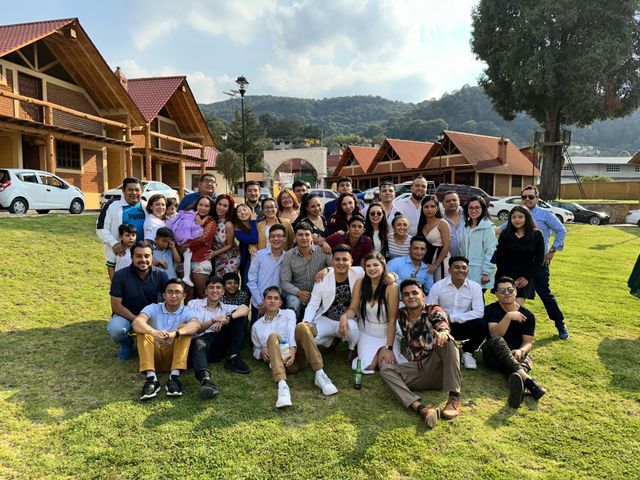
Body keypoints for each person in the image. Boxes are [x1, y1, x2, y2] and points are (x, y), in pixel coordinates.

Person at [379, 279, 461, 428]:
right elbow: (382, 299)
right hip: (417, 369)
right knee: (386, 370)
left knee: (449, 341)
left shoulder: (433, 310)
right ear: (402, 299)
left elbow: (441, 321)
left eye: (415, 293)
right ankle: (422, 409)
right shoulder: (401, 314)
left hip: (438, 368)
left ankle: (454, 397)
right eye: (406, 294)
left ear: (423, 295)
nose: (411, 296)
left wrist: (443, 332)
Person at [251, 286, 338, 408]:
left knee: (302, 326)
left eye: (276, 298)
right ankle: (282, 386)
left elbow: (292, 330)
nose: (272, 301)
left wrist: (293, 349)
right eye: (269, 298)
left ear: (281, 302)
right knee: (273, 336)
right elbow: (256, 349)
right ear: (264, 301)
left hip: (299, 357)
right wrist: (261, 353)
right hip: (281, 363)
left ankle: (320, 374)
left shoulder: (289, 313)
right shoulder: (256, 326)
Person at [482, 277, 547, 408]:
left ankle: (519, 388)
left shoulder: (528, 315)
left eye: (510, 290)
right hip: (494, 355)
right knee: (498, 341)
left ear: (516, 292)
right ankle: (529, 382)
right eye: (502, 290)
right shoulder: (490, 310)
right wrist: (508, 316)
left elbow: (528, 342)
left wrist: (521, 350)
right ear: (496, 293)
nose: (507, 293)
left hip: (516, 355)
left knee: (524, 358)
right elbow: (495, 335)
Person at [132, 278, 201, 401]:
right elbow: (137, 322)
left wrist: (175, 333)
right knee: (143, 331)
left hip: (174, 355)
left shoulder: (187, 311)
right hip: (154, 353)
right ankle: (151, 379)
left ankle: (174, 378)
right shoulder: (153, 307)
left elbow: (196, 325)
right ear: (164, 295)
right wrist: (153, 332)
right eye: (169, 292)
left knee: (185, 329)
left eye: (177, 292)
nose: (173, 295)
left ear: (184, 295)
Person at [341, 252, 406, 374]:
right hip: (367, 331)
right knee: (369, 366)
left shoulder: (391, 287)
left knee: (385, 366)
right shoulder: (360, 283)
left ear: (383, 266)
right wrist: (344, 316)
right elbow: (353, 309)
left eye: (375, 265)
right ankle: (368, 352)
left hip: (387, 333)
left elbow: (392, 320)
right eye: (368, 266)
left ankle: (383, 351)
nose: (372, 269)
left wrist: (389, 348)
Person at [188, 276, 251, 399]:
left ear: (223, 292)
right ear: (206, 291)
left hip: (217, 344)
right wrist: (213, 320)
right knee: (199, 342)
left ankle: (233, 357)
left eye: (218, 288)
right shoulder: (194, 304)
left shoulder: (226, 307)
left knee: (238, 317)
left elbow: (245, 309)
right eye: (211, 287)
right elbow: (196, 328)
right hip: (199, 342)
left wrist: (228, 318)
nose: (214, 290)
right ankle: (205, 380)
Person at [520, 185, 569, 340]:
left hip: (540, 263)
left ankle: (560, 324)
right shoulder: (518, 214)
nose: (527, 199)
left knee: (545, 295)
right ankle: (513, 327)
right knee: (518, 295)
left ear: (537, 198)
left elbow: (561, 230)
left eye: (530, 197)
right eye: (524, 197)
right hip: (521, 264)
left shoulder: (545, 214)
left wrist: (552, 251)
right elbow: (504, 228)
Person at [108, 240, 169, 360]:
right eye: (138, 256)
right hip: (126, 315)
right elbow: (116, 306)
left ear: (152, 257)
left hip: (151, 316)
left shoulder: (161, 275)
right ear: (131, 257)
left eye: (147, 256)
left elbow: (167, 301)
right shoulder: (120, 276)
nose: (143, 260)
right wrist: (137, 320)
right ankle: (127, 343)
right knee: (116, 331)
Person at [302, 244, 362, 363]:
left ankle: (352, 348)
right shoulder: (322, 278)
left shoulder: (359, 273)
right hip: (327, 318)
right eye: (337, 259)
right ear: (332, 261)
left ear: (351, 261)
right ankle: (331, 341)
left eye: (345, 259)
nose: (341, 263)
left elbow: (379, 271)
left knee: (353, 329)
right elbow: (313, 304)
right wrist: (306, 323)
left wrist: (392, 275)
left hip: (349, 319)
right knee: (311, 338)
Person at [427, 256, 485, 370]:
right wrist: (443, 319)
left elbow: (479, 312)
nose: (461, 270)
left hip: (463, 324)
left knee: (482, 324)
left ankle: (468, 352)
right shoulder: (438, 286)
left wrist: (451, 317)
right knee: (426, 322)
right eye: (456, 267)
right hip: (441, 324)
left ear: (467, 270)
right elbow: (430, 308)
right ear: (449, 270)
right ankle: (436, 349)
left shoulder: (475, 287)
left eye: (464, 268)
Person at [495, 206, 545, 306]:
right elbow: (500, 258)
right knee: (505, 309)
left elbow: (539, 260)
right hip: (505, 277)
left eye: (520, 217)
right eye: (514, 217)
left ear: (527, 218)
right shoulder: (505, 234)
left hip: (524, 279)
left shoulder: (537, 235)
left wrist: (526, 278)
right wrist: (509, 280)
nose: (517, 220)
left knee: (516, 308)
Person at [281, 222, 332, 320]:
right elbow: (284, 282)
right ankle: (292, 330)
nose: (304, 238)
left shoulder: (323, 251)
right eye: (300, 235)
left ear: (312, 237)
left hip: (319, 292)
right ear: (295, 237)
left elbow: (336, 268)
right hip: (297, 293)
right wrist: (298, 292)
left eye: (307, 235)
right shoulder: (288, 255)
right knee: (293, 304)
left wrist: (327, 269)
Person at [96, 177, 146, 275]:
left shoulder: (147, 206)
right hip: (121, 256)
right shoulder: (112, 205)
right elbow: (101, 228)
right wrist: (114, 243)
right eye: (130, 190)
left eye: (137, 190)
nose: (134, 193)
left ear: (142, 191)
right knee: (121, 287)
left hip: (142, 258)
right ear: (123, 191)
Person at [177, 196, 217, 298]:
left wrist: (186, 245)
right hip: (185, 260)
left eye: (206, 206)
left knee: (201, 294)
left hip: (200, 260)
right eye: (201, 205)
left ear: (210, 208)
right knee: (188, 296)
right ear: (196, 206)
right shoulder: (190, 218)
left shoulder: (211, 221)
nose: (203, 208)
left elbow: (203, 238)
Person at [247, 224, 287, 323]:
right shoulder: (259, 255)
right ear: (269, 239)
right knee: (258, 334)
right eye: (273, 236)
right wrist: (261, 302)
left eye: (279, 236)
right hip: (259, 303)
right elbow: (252, 281)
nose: (276, 239)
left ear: (285, 238)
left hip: (279, 303)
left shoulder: (288, 257)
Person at [461, 196, 497, 290]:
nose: (473, 210)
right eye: (471, 208)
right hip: (466, 271)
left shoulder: (488, 227)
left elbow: (492, 251)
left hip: (481, 272)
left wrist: (486, 272)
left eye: (477, 207)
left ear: (483, 209)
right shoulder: (466, 226)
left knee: (478, 300)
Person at [417, 195, 451, 282]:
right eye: (426, 207)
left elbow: (446, 246)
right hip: (426, 262)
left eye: (432, 206)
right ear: (422, 208)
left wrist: (436, 265)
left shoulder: (442, 223)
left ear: (437, 208)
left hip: (441, 261)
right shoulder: (422, 224)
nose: (429, 209)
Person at [211, 194, 240, 277]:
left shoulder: (228, 224)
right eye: (219, 204)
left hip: (230, 257)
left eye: (225, 206)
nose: (221, 208)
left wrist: (214, 253)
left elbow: (230, 245)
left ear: (228, 209)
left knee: (226, 282)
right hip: (218, 257)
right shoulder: (212, 220)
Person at [234, 203, 258, 292]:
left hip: (260, 256)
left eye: (244, 210)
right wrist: (252, 221)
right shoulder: (237, 229)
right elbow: (253, 239)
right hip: (246, 259)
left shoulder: (259, 221)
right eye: (239, 211)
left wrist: (254, 221)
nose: (242, 213)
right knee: (247, 286)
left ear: (250, 211)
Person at [442, 191, 465, 257]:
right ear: (443, 204)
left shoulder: (468, 217)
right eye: (448, 201)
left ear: (459, 201)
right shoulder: (440, 221)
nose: (451, 202)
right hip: (448, 261)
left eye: (454, 200)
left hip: (468, 260)